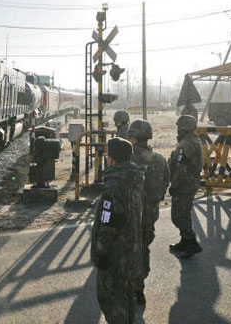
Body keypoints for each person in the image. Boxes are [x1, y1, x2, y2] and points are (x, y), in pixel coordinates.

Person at [91, 137, 144, 323]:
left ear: (111, 158)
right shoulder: (134, 179)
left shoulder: (113, 186)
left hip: (115, 256)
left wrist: (101, 252)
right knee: (127, 297)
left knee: (111, 300)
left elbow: (107, 224)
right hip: (132, 250)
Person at [128, 119, 170, 306]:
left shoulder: (128, 158)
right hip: (150, 214)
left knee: (127, 249)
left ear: (134, 138)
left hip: (130, 215)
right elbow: (165, 182)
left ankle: (128, 286)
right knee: (143, 247)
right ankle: (139, 287)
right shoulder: (159, 159)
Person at [168, 115, 203, 259]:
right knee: (184, 213)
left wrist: (174, 185)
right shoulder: (193, 140)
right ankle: (185, 241)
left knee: (178, 216)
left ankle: (192, 243)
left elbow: (181, 167)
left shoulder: (187, 144)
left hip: (185, 184)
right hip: (190, 182)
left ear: (183, 127)